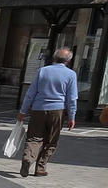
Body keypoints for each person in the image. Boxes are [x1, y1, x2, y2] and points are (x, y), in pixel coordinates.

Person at [17, 47, 78, 178]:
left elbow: (30, 93)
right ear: (68, 61)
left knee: (34, 137)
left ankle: (28, 158)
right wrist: (72, 116)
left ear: (55, 58)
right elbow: (72, 98)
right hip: (58, 110)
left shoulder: (43, 71)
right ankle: (40, 167)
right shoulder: (71, 74)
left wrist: (23, 111)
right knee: (51, 140)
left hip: (39, 108)